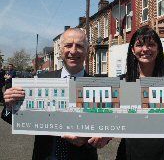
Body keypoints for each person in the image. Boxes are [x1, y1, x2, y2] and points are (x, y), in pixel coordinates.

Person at [2, 28, 110, 160]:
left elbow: (110, 125)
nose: (73, 50)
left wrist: (105, 134)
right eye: (68, 45)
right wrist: (10, 105)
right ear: (60, 50)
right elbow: (17, 119)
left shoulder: (100, 87)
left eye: (80, 46)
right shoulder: (40, 82)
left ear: (87, 51)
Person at [115, 26, 164, 160]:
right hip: (130, 154)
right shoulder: (122, 82)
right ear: (132, 49)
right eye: (139, 45)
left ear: (158, 49)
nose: (145, 49)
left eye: (151, 44)